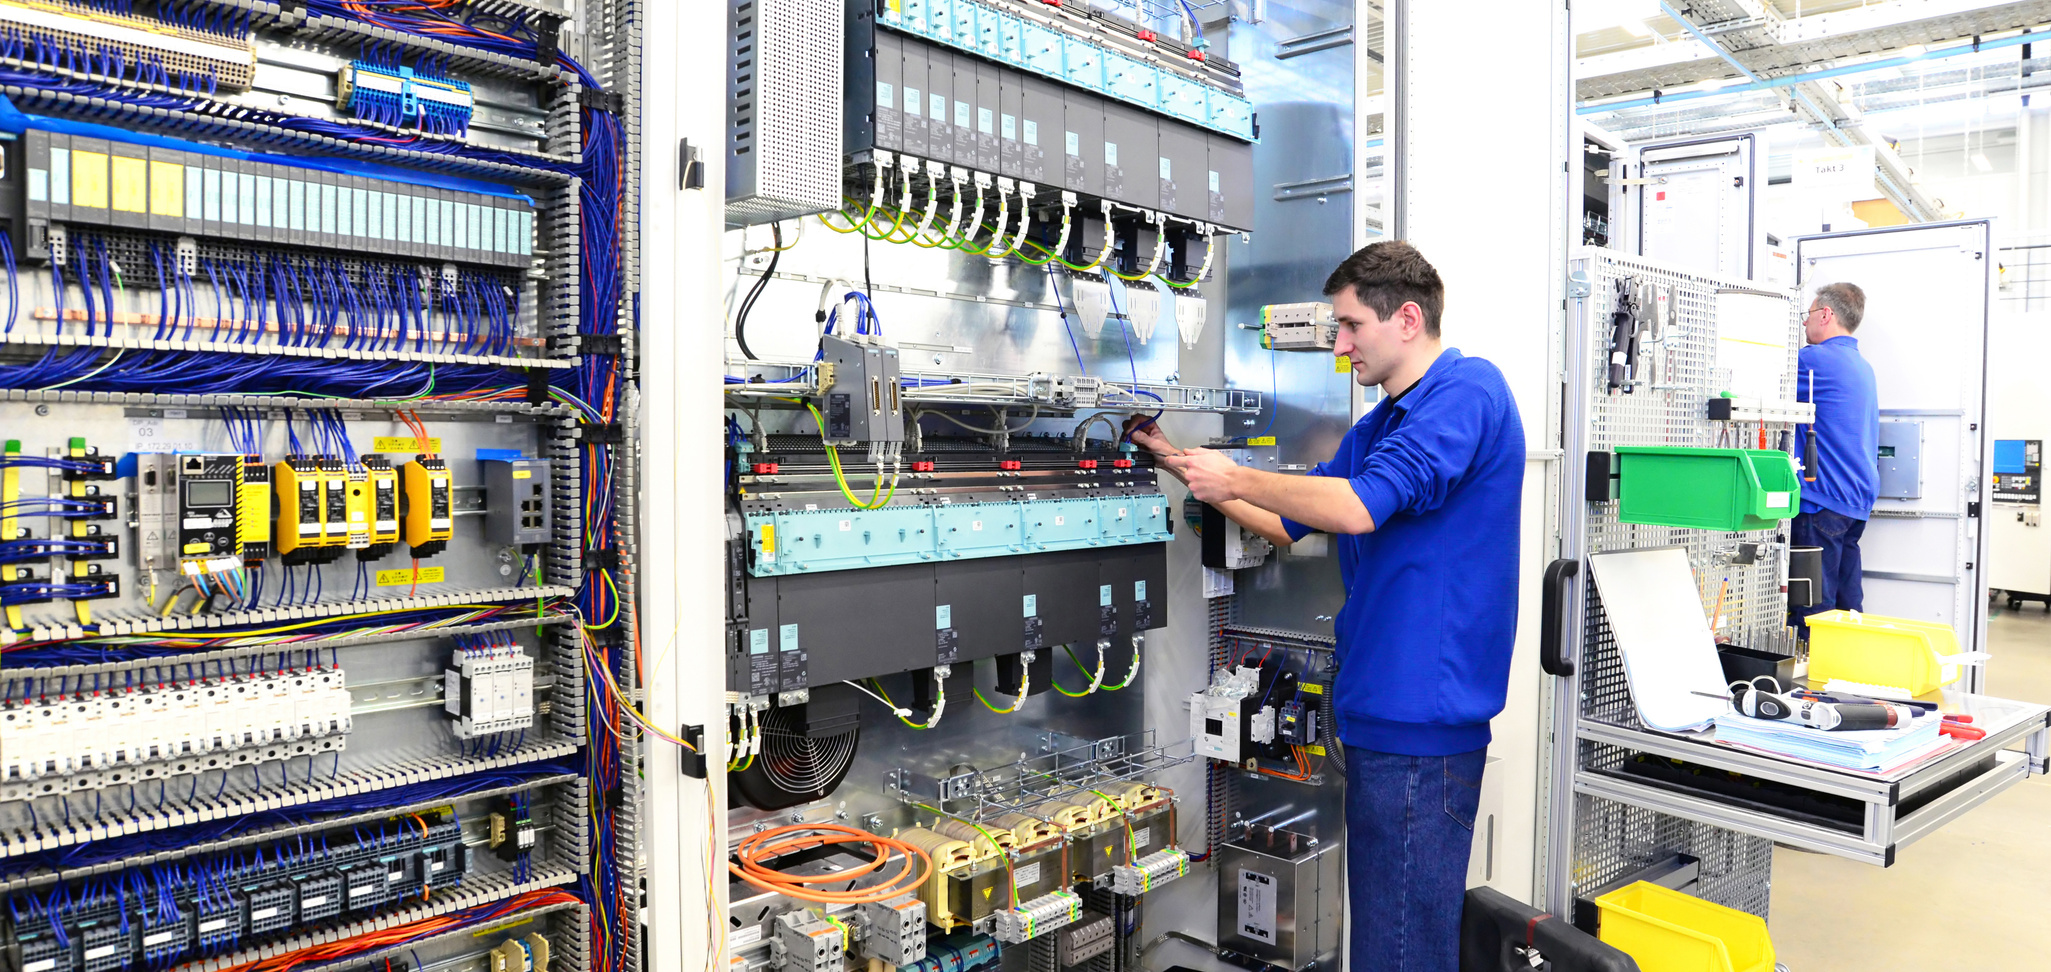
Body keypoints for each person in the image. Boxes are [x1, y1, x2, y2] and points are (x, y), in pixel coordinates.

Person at [1124, 241, 1523, 972]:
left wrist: (1237, 473)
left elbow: (1357, 506)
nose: (1339, 348)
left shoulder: (1466, 392)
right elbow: (1287, 522)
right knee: (1384, 936)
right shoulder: (1380, 425)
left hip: (1421, 728)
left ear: (1406, 318)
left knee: (1398, 950)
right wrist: (1181, 464)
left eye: (1348, 328)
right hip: (1376, 714)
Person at [1792, 281, 1879, 620]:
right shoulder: (1862, 366)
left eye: (1808, 314)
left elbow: (1758, 380)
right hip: (1856, 502)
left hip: (1822, 502)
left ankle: (1812, 669)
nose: (1804, 322)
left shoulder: (1813, 360)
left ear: (1826, 314)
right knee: (1847, 609)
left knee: (1812, 611)